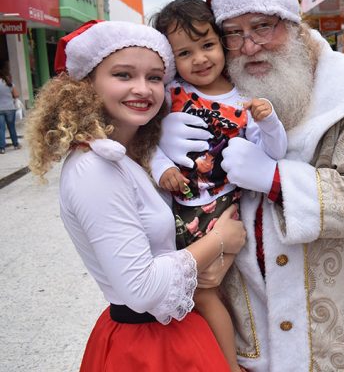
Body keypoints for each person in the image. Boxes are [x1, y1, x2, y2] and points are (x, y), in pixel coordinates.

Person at [157, 0, 344, 371]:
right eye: (233, 33)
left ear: (294, 27)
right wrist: (155, 144)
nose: (249, 46)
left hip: (338, 335)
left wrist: (277, 180)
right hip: (248, 330)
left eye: (263, 26)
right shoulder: (194, 98)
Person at [25, 20, 247, 371]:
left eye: (155, 77)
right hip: (147, 347)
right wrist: (219, 240)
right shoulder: (95, 167)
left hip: (170, 333)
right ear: (87, 84)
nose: (143, 89)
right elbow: (142, 289)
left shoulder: (128, 154)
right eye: (124, 75)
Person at [150, 0, 287, 372]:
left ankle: (227, 364)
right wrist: (161, 166)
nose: (200, 59)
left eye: (207, 45)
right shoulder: (169, 94)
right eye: (185, 52)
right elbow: (147, 143)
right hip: (178, 208)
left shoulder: (245, 96)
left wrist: (270, 120)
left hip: (224, 208)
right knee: (190, 294)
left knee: (206, 291)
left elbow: (273, 151)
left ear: (221, 43)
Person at [0, 60, 21, 154]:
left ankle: (2, 148)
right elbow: (16, 95)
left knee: (1, 129)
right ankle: (16, 144)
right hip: (10, 108)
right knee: (11, 127)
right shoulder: (9, 83)